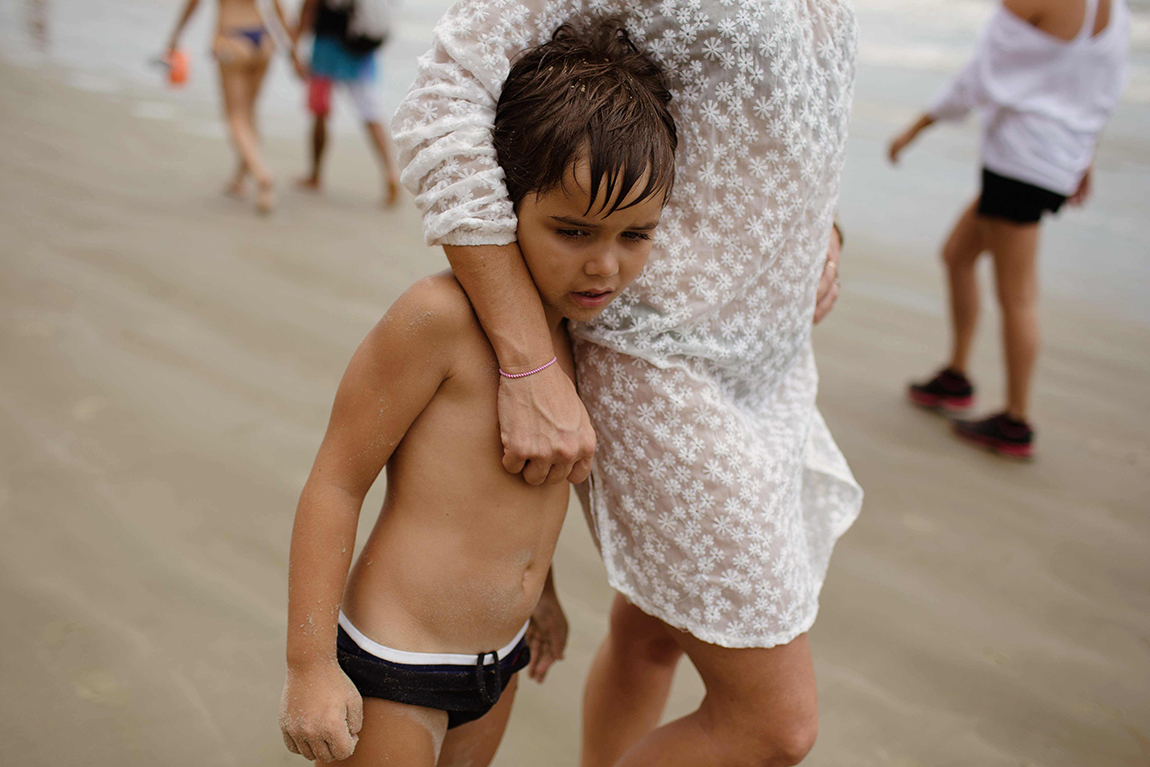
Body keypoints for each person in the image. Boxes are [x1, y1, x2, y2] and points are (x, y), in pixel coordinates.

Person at [393, 1, 863, 765]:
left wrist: (823, 227)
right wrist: (530, 360)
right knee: (775, 725)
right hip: (658, 361)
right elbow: (446, 94)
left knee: (651, 638)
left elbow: (782, 115)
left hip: (771, 370)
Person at [278, 21, 678, 765]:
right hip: (401, 655)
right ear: (505, 197)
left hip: (501, 657)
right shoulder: (439, 319)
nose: (605, 267)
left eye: (635, 236)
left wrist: (543, 592)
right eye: (572, 230)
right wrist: (309, 666)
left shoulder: (573, 330)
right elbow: (336, 480)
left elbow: (526, 488)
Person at [890, 0, 1130, 458]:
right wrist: (1084, 157)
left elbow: (979, 75)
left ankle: (1015, 421)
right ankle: (955, 376)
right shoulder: (1114, 9)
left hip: (1020, 161)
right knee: (957, 254)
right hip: (1054, 160)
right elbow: (1103, 89)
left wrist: (917, 128)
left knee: (1017, 296)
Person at [165, 0, 302, 214]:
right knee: (250, 113)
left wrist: (174, 38)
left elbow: (193, 5)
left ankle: (262, 175)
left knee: (235, 117)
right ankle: (239, 179)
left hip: (232, 39)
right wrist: (294, 53)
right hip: (264, 39)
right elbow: (279, 10)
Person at [293, 0, 402, 207]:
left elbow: (309, 7)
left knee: (320, 112)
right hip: (360, 48)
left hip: (326, 47)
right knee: (370, 112)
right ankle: (390, 172)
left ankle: (315, 175)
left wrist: (296, 47)